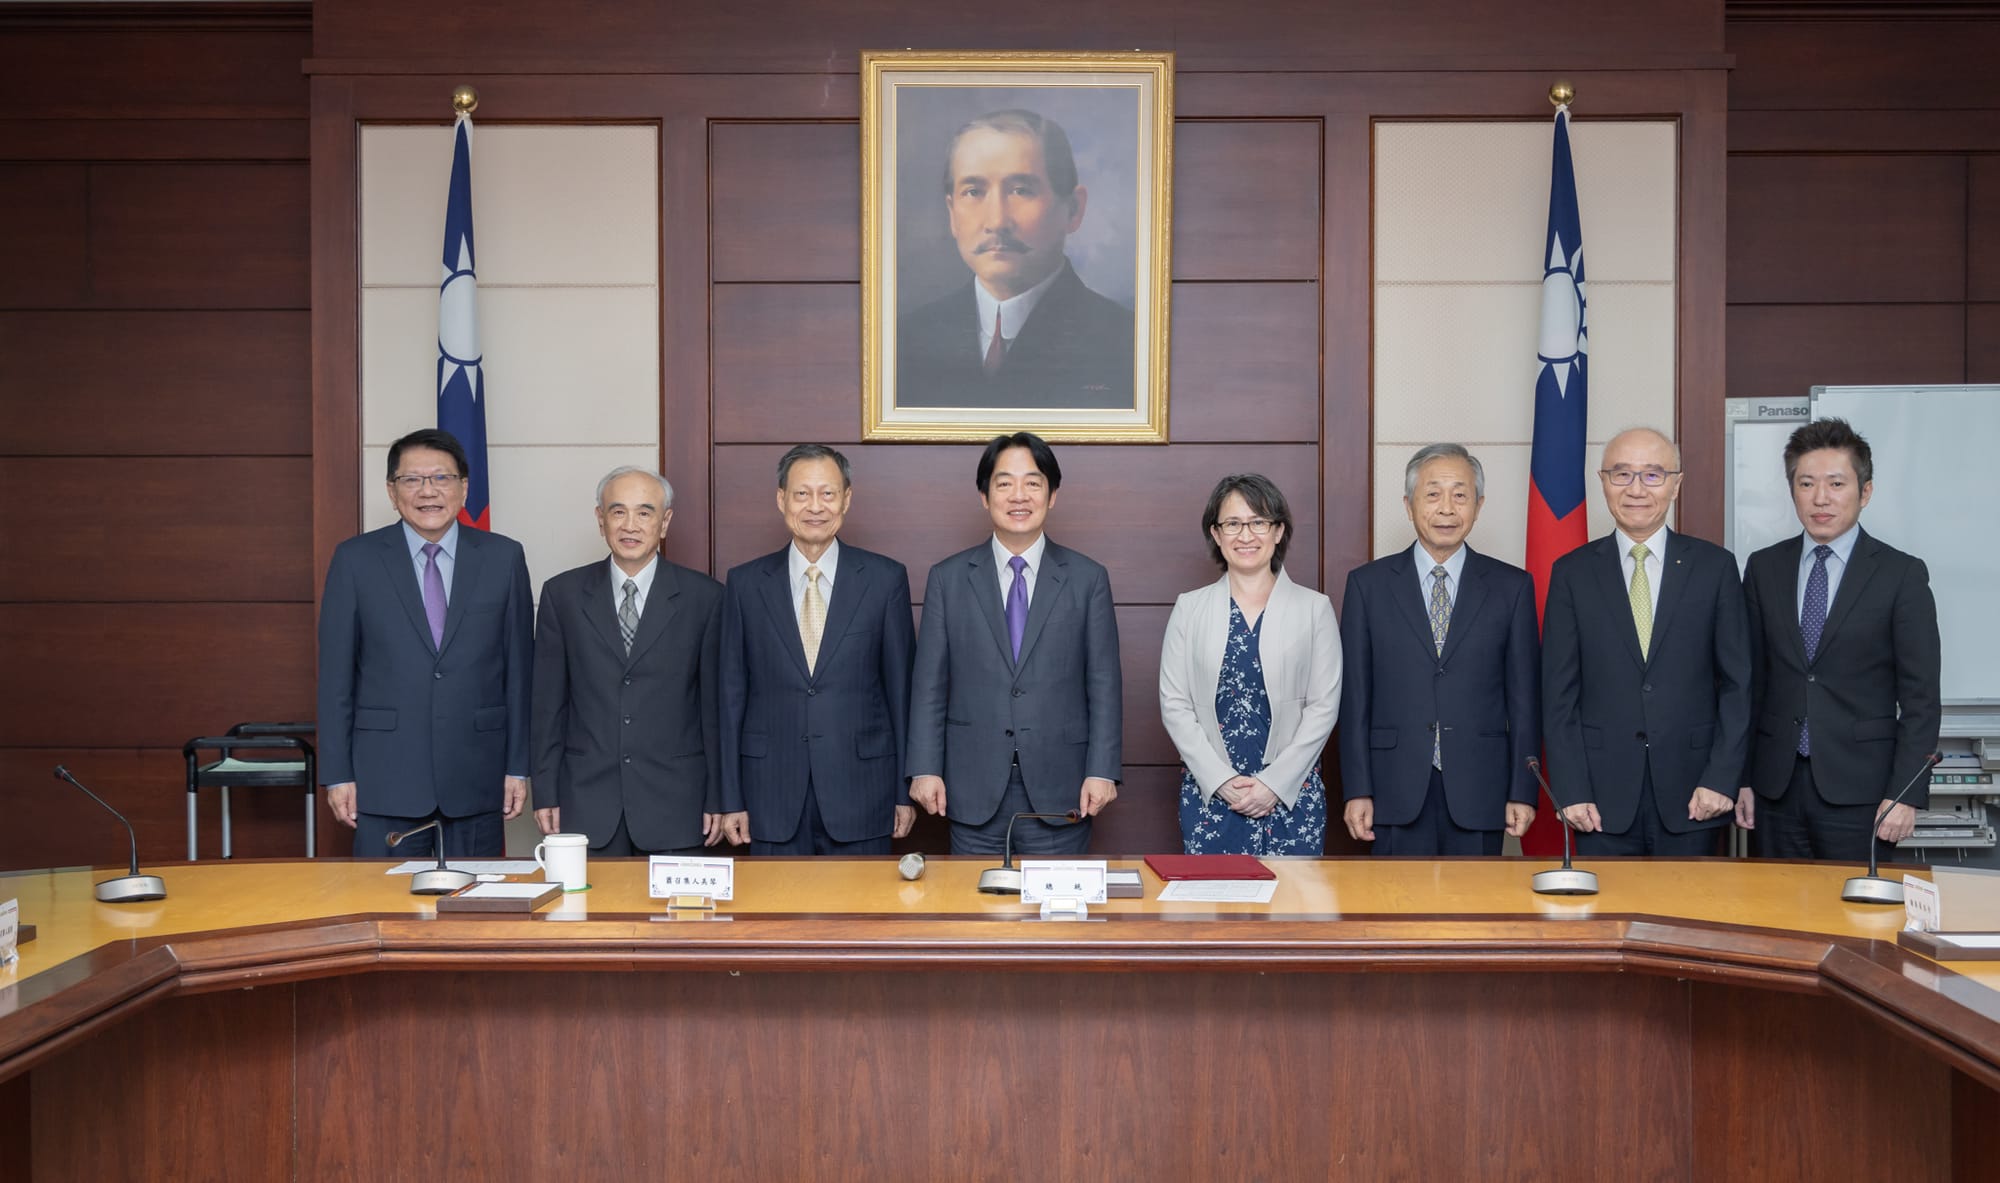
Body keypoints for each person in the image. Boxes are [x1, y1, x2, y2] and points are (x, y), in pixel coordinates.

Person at [316, 427, 532, 858]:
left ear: (464, 488)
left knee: (476, 898)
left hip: (478, 775)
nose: (427, 491)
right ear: (392, 491)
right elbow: (336, 677)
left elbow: (519, 673)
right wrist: (337, 773)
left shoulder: (503, 558)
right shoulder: (355, 560)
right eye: (412, 479)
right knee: (381, 897)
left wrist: (517, 766)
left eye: (441, 478)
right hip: (384, 779)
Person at [1736, 418, 1941, 862]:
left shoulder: (1901, 575)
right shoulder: (1764, 568)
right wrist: (1744, 778)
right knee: (1772, 904)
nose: (1820, 498)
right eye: (1806, 483)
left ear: (1865, 492)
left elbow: (1921, 698)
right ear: (1792, 490)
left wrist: (1905, 793)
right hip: (1775, 789)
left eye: (1836, 483)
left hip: (1865, 792)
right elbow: (1752, 684)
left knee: (1856, 904)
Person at [906, 432, 1121, 854]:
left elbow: (1104, 683)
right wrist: (925, 768)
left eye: (1033, 483)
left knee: (1057, 899)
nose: (1018, 496)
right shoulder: (948, 579)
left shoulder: (1087, 579)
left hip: (1063, 787)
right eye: (1004, 483)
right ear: (984, 496)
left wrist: (1102, 770)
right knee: (974, 898)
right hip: (971, 786)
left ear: (1052, 495)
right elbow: (929, 684)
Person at [1541, 428, 1750, 856]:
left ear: (1676, 484)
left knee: (1692, 902)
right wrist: (1570, 788)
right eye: (1622, 474)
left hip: (1696, 794)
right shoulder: (1572, 573)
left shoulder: (1715, 568)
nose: (1636, 489)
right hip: (1598, 800)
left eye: (1653, 475)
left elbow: (1738, 685)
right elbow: (1558, 694)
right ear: (1603, 482)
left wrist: (1721, 778)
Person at [1338, 444, 1539, 855]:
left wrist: (1522, 790)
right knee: (1393, 897)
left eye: (1460, 494)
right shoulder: (1367, 585)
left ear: (1478, 506)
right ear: (1409, 505)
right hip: (1392, 787)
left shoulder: (1512, 587)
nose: (1447, 508)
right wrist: (1357, 788)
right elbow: (1355, 697)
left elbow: (1524, 699)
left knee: (1475, 898)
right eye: (1432, 494)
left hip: (1481, 786)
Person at [718, 444, 917, 855]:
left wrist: (903, 791)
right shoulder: (745, 584)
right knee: (776, 900)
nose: (815, 506)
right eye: (801, 493)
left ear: (846, 499)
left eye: (827, 493)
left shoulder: (884, 579)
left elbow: (901, 695)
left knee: (863, 900)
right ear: (781, 500)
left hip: (864, 791)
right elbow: (731, 697)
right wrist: (731, 797)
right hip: (770, 794)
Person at [530, 466, 725, 856]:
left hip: (679, 803)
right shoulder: (562, 595)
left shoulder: (706, 598)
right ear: (600, 520)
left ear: (664, 522)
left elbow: (716, 710)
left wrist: (720, 796)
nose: (630, 525)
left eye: (644, 512)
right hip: (586, 802)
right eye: (618, 512)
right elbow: (548, 705)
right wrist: (545, 790)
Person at [896, 108, 1134, 411]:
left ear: (1073, 210)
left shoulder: (1126, 342)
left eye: (1021, 191)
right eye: (973, 192)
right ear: (952, 214)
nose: (997, 221)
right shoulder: (905, 340)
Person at [1159, 474, 1340, 855]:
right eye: (1233, 524)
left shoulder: (1314, 609)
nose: (1246, 536)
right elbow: (1175, 704)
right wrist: (1221, 781)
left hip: (1292, 795)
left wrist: (1274, 784)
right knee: (1214, 895)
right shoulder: (1190, 608)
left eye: (1258, 522)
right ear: (1216, 533)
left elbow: (1323, 707)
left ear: (1278, 531)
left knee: (1295, 894)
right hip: (1212, 796)